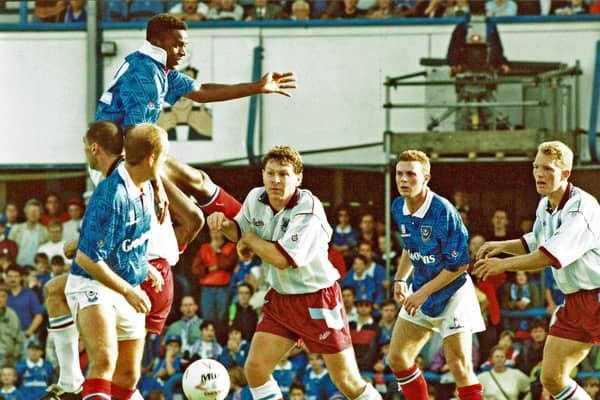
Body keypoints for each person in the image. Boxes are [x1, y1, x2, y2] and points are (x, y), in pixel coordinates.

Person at [207, 145, 381, 400]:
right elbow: (239, 231)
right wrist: (223, 224)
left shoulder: (308, 209)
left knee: (347, 381)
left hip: (318, 299)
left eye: (284, 174)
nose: (276, 180)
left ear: (298, 178)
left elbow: (281, 259)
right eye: (270, 173)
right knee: (255, 369)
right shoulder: (255, 197)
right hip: (281, 298)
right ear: (262, 174)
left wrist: (248, 240)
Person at [96, 13, 294, 223]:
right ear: (157, 42)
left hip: (130, 155)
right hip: (118, 160)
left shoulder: (156, 68)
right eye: (177, 45)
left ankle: (247, 226)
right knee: (190, 221)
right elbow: (137, 138)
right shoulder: (145, 76)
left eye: (184, 45)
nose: (183, 52)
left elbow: (201, 91)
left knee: (198, 185)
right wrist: (157, 188)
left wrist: (257, 87)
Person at [474, 140, 600, 400]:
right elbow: (535, 241)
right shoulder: (546, 204)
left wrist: (502, 265)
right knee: (552, 378)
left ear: (565, 173)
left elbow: (547, 255)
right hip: (575, 302)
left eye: (548, 169)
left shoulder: (581, 208)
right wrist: (500, 246)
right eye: (535, 167)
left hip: (597, 298)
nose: (539, 174)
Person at [64, 123, 168, 400]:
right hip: (93, 282)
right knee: (104, 360)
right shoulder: (112, 194)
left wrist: (143, 267)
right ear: (152, 158)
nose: (166, 162)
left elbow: (127, 238)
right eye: (164, 156)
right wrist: (129, 290)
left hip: (125, 281)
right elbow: (86, 258)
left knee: (129, 375)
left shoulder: (145, 187)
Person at [387, 149, 485, 400]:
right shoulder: (398, 206)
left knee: (460, 367)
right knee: (397, 358)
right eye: (399, 174)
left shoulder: (443, 211)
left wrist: (421, 293)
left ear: (426, 177)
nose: (403, 179)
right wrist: (401, 278)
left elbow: (460, 265)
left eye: (411, 174)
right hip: (421, 289)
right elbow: (410, 246)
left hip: (453, 293)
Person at [8, 199, 48, 268]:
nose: (33, 214)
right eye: (31, 211)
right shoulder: (16, 229)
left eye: (36, 211)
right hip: (18, 268)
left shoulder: (45, 231)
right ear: (26, 214)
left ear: (40, 215)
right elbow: (9, 249)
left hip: (37, 269)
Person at [0, 287, 23, 368]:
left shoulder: (12, 315)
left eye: (3, 296)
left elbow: (19, 337)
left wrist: (14, 355)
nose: (1, 299)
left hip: (9, 358)